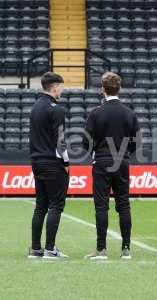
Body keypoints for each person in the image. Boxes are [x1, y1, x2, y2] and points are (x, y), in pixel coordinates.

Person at [83, 72, 140, 260]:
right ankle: (126, 249)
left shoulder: (96, 113)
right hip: (122, 161)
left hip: (101, 161)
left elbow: (86, 141)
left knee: (101, 206)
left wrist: (95, 152)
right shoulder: (129, 113)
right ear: (119, 88)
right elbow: (137, 142)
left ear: (102, 89)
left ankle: (101, 249)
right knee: (124, 205)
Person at [28, 71, 69, 259]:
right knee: (56, 205)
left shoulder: (35, 107)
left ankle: (35, 248)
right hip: (53, 162)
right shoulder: (56, 109)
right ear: (54, 87)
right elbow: (60, 139)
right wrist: (66, 162)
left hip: (36, 161)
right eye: (61, 86)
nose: (63, 89)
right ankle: (50, 249)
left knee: (40, 206)